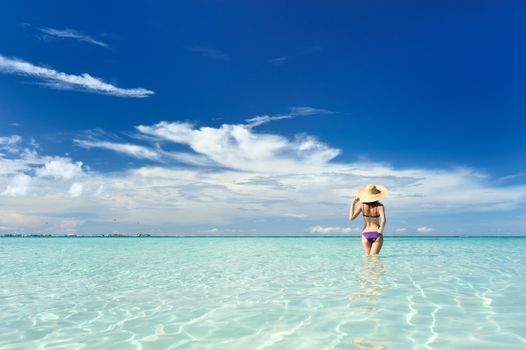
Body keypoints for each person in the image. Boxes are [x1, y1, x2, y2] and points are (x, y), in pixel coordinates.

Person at [349, 184, 388, 255]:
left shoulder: (362, 205)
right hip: (376, 233)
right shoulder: (380, 206)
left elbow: (351, 218)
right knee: (374, 259)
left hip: (365, 233)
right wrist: (380, 231)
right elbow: (383, 220)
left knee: (367, 258)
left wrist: (353, 203)